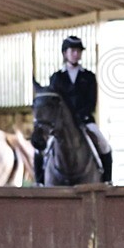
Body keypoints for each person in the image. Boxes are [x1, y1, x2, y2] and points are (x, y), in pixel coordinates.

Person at [40, 36, 112, 184]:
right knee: (42, 148)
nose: (75, 54)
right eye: (72, 51)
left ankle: (107, 181)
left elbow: (91, 101)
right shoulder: (56, 78)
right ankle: (40, 180)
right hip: (61, 125)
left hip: (84, 121)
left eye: (78, 51)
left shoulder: (88, 77)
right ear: (65, 53)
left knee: (104, 145)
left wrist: (81, 116)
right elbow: (54, 103)